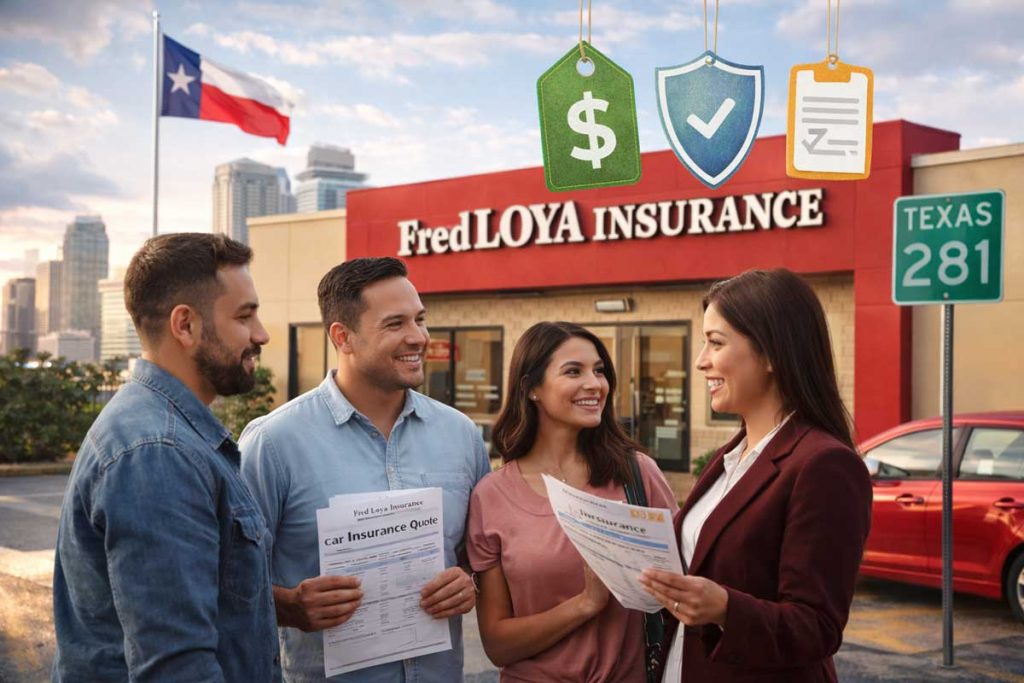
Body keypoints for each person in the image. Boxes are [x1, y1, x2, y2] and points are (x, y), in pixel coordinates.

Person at [239, 256, 490, 682]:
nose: (418, 337)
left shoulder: (461, 435)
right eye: (395, 324)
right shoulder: (273, 443)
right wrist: (289, 606)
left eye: (420, 319)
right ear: (343, 337)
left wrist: (468, 581)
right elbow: (226, 580)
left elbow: (479, 558)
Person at [52, 233, 279, 682]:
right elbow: (176, 667)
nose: (262, 334)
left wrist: (277, 605)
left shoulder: (160, 431)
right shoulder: (159, 452)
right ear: (186, 326)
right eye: (244, 315)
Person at [638, 268, 872, 682]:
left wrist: (726, 607)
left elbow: (817, 626)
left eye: (715, 343)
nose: (700, 361)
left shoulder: (823, 465)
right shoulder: (732, 454)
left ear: (770, 354)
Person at [467, 321, 679, 682]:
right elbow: (497, 644)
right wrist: (585, 605)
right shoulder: (491, 496)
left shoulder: (637, 475)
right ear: (532, 388)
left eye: (599, 371)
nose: (594, 384)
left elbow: (685, 588)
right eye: (573, 371)